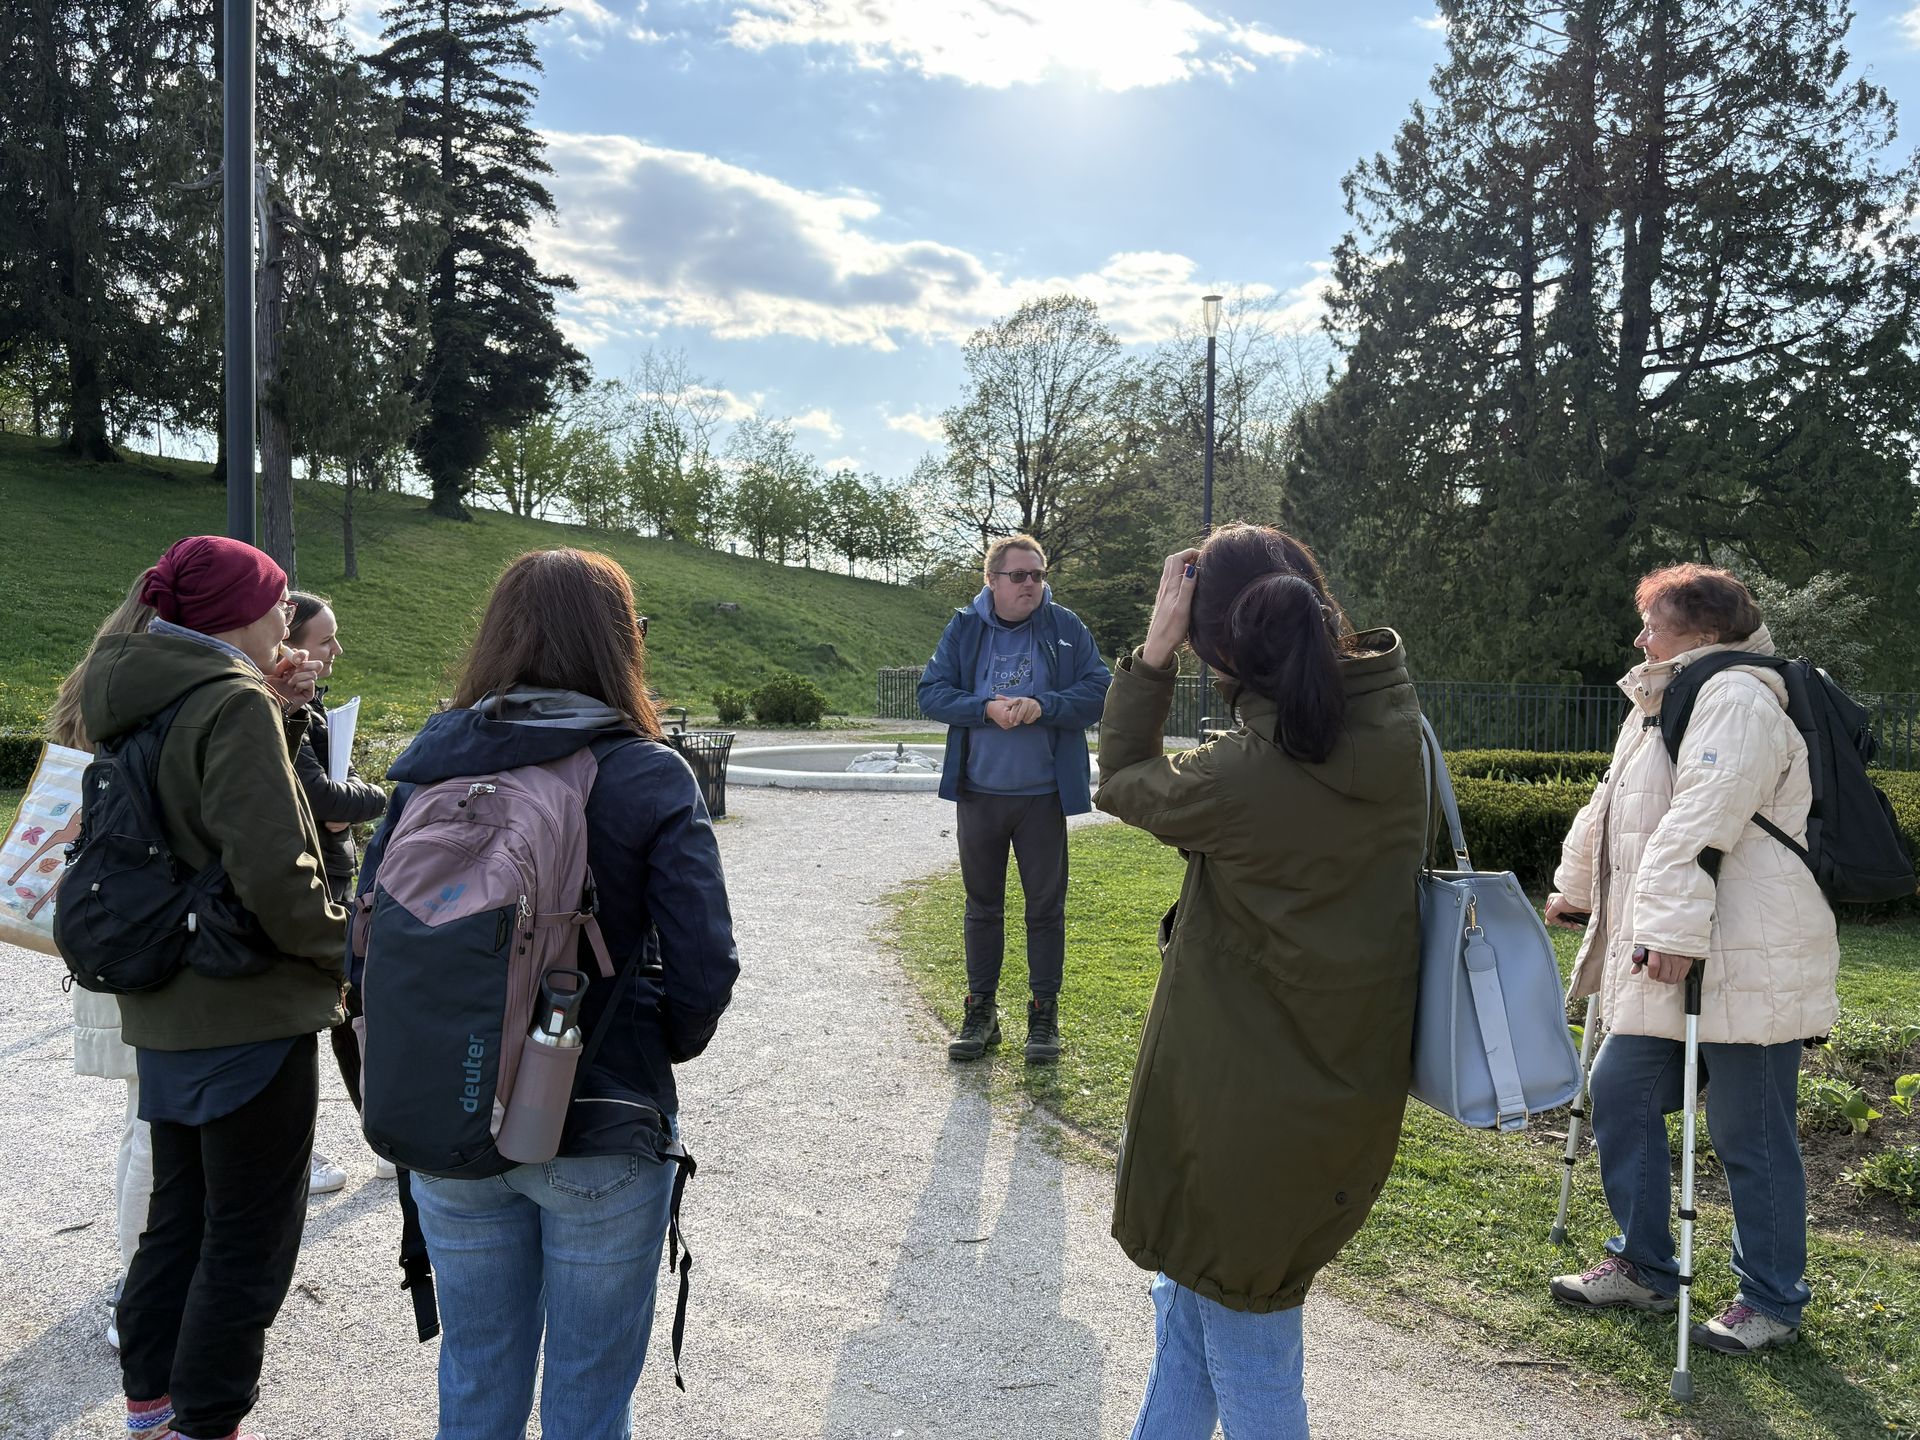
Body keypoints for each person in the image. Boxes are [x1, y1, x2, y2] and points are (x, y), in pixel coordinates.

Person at [360, 548, 738, 1438]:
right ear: (620, 643)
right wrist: (648, 1045)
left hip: (449, 1113)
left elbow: (367, 943)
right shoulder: (646, 772)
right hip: (603, 1112)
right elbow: (704, 966)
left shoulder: (431, 763)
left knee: (477, 1378)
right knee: (587, 1400)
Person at [1093, 526, 1427, 1440]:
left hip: (1243, 1106)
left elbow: (1118, 778)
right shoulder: (1399, 730)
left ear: (1220, 645)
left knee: (1251, 1356)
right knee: (1192, 1321)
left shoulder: (1243, 775)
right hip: (1332, 1087)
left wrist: (1151, 655)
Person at [74, 536, 348, 1440]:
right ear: (242, 610)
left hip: (166, 1000)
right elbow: (276, 866)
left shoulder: (141, 688)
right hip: (246, 1007)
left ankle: (150, 1405)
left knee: (179, 1218)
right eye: (276, 604)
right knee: (250, 1235)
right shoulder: (230, 700)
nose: (286, 619)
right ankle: (209, 1419)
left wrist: (288, 715)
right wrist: (342, 948)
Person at [1546, 564, 1837, 1355]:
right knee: (1619, 1090)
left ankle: (1771, 1300)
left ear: (1704, 633)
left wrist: (1670, 933)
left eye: (1655, 624)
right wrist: (1575, 884)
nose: (1641, 638)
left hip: (1749, 948)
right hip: (1681, 943)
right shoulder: (1661, 697)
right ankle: (1644, 1263)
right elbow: (1613, 805)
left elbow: (1699, 819)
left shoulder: (1737, 697)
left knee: (1751, 1130)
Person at [915, 534, 1111, 1064]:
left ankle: (1043, 1017)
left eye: (1039, 575)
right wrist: (986, 709)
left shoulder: (1065, 627)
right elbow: (931, 692)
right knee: (983, 908)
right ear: (992, 580)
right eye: (1019, 575)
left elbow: (1099, 690)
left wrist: (1041, 705)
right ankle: (981, 1012)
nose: (1032, 584)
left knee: (1046, 910)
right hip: (979, 794)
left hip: (1042, 797)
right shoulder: (965, 627)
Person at [46, 578, 158, 1351]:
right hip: (142, 927)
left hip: (101, 923)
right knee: (156, 1125)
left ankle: (140, 1280)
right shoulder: (149, 693)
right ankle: (141, 1294)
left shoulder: (96, 679)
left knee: (142, 1119)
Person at [284, 590, 391, 1189]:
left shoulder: (312, 708)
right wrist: (382, 796)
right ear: (290, 642)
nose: (336, 650)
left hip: (334, 871)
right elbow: (323, 799)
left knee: (350, 1011)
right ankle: (309, 1151)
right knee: (332, 1013)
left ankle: (378, 1132)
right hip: (316, 878)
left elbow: (326, 799)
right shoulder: (284, 711)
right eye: (325, 639)